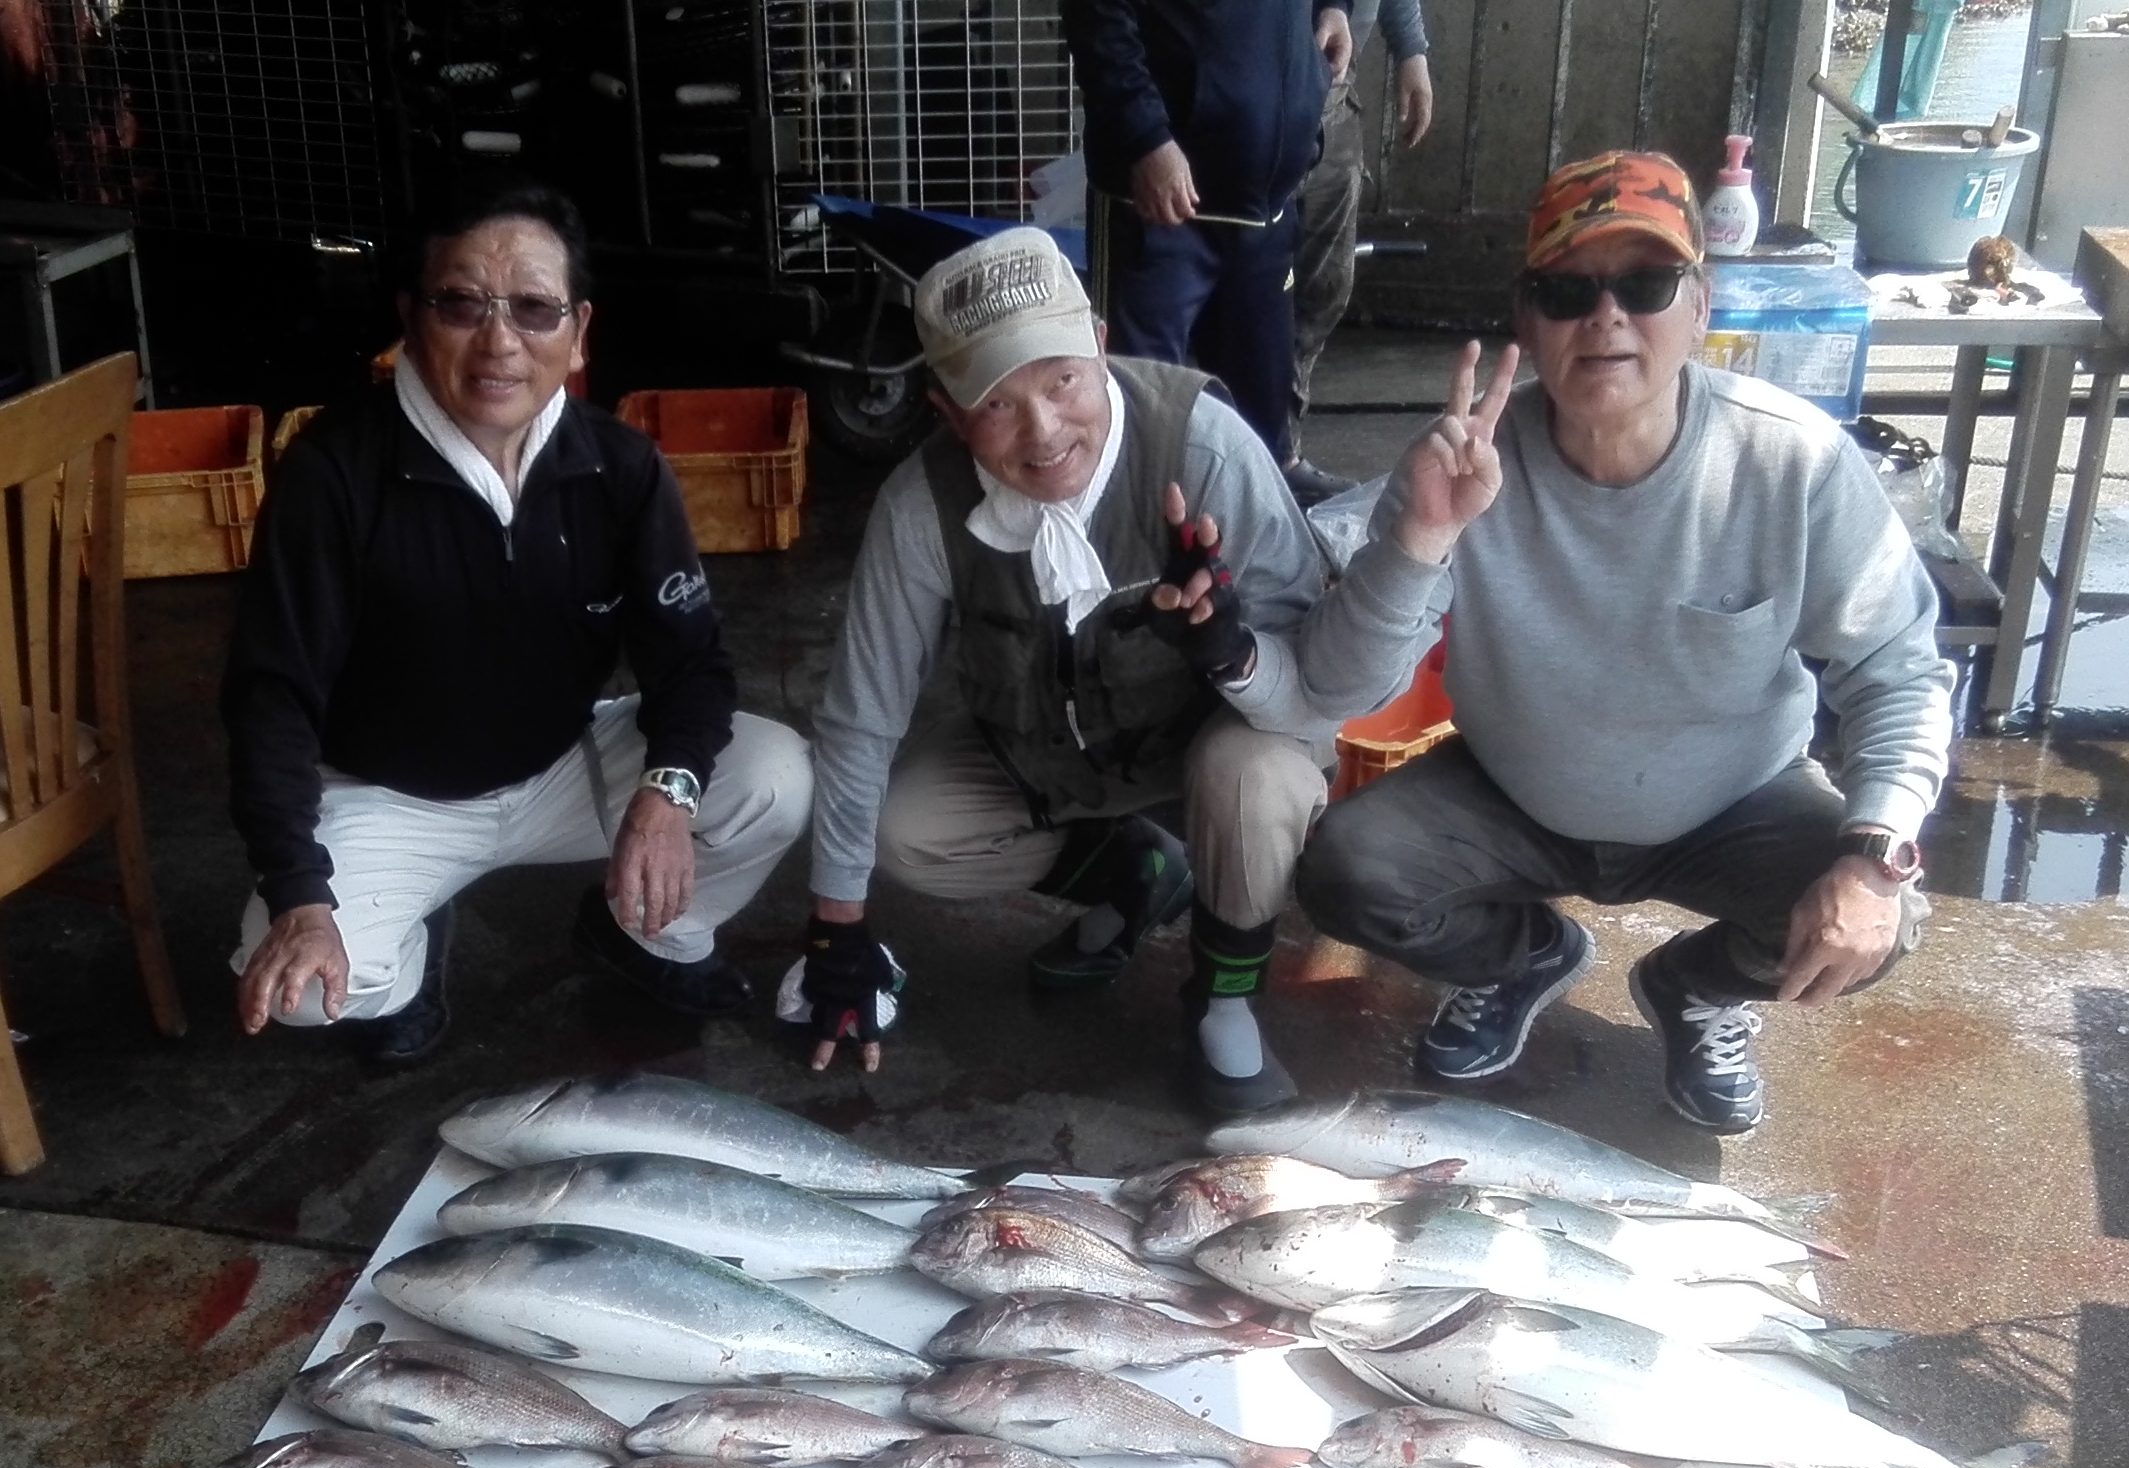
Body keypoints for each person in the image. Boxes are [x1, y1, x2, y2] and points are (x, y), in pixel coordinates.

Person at [1295, 150, 1954, 1134]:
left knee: (1881, 915)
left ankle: (1696, 987)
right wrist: (1419, 540)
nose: (1604, 316)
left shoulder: (1795, 462)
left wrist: (1869, 857)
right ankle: (1523, 959)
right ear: (1525, 320)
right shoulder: (1456, 461)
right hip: (1513, 791)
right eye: (1565, 290)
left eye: (1644, 284)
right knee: (1345, 870)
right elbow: (1335, 683)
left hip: (1731, 801)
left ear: (1699, 308)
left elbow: (1897, 669)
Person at [795, 226, 1420, 1115]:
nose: (1044, 431)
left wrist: (1231, 646)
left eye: (1058, 379)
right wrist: (836, 926)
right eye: (996, 404)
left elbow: (1322, 687)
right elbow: (862, 714)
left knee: (1255, 774)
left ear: (1096, 341)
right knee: (910, 829)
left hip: (1217, 744)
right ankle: (1134, 874)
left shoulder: (1201, 444)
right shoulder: (919, 506)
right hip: (1051, 761)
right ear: (942, 410)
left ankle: (1224, 997)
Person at [222, 179, 811, 1063]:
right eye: (461, 304)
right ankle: (413, 948)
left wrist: (666, 793)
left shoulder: (620, 466)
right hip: (389, 793)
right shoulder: (331, 474)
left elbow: (691, 661)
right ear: (410, 318)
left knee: (774, 776)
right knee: (307, 990)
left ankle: (647, 936)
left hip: (559, 767)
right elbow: (270, 699)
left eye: (534, 310)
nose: (499, 342)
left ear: (578, 334)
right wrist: (303, 896)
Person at [1063, 0, 1350, 467]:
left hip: (1266, 210)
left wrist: (1334, 8)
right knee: (1143, 413)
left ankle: (1256, 519)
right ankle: (1146, 533)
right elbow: (1097, 19)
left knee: (1259, 415)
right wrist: (1147, 140)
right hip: (1159, 212)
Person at [1287, 0, 1435, 507]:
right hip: (1256, 91)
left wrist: (1411, 50)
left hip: (1334, 96)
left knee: (1324, 286)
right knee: (1252, 289)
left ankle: (1282, 450)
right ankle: (1229, 454)